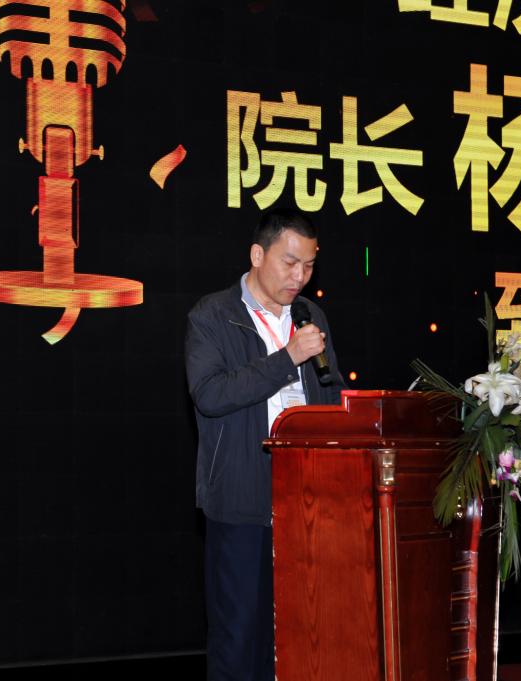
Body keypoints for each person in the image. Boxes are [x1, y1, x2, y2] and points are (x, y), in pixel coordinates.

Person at [184, 207, 345, 681]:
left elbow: (331, 392)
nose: (300, 277)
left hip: (307, 500)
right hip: (241, 497)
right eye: (290, 263)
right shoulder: (212, 315)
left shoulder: (311, 316)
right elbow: (211, 395)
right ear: (257, 255)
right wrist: (286, 358)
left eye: (309, 266)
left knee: (296, 631)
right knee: (238, 636)